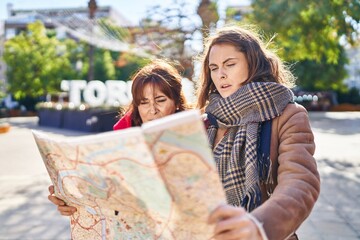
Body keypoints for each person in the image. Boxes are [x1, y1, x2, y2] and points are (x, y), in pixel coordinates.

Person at [197, 25, 320, 240]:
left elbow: (301, 183)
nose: (221, 75)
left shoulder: (289, 115)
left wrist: (258, 226)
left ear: (252, 64)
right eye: (214, 68)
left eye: (230, 64)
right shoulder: (206, 121)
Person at [48, 59, 189, 215]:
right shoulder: (119, 144)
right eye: (144, 102)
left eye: (160, 100)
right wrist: (70, 200)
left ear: (177, 102)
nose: (152, 110)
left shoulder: (203, 137)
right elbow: (105, 201)